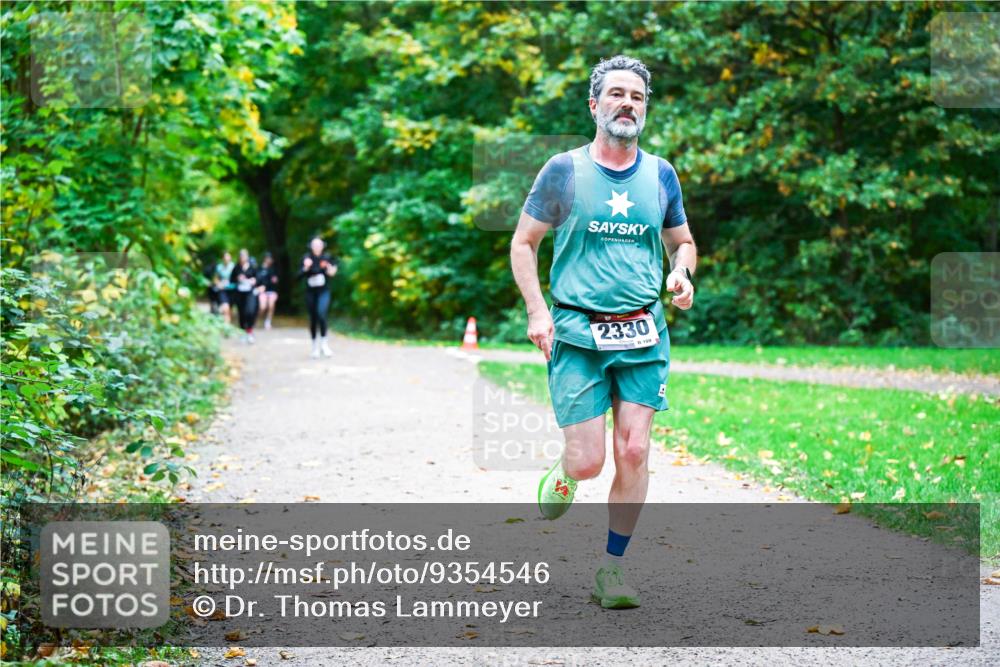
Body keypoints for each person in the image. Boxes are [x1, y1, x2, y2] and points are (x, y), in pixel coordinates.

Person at [509, 55, 697, 610]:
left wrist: (681, 272)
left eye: (637, 97)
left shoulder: (661, 174)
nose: (627, 104)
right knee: (590, 460)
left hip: (642, 329)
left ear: (645, 108)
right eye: (616, 94)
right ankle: (568, 470)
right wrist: (537, 312)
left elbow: (682, 241)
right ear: (595, 105)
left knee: (635, 450)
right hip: (575, 330)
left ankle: (612, 569)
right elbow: (524, 243)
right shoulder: (564, 170)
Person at [299, 237, 338, 358]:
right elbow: (298, 275)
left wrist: (330, 269)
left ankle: (324, 344)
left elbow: (333, 272)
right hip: (311, 292)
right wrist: (305, 268)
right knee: (313, 318)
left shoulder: (327, 257)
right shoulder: (306, 258)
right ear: (311, 246)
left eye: (319, 245)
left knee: (322, 314)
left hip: (323, 291)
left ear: (322, 246)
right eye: (314, 245)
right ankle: (314, 346)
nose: (316, 247)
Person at [230, 249, 258, 343]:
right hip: (239, 293)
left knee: (250, 311)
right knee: (241, 313)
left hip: (250, 292)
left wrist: (253, 281)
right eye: (241, 256)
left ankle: (250, 331)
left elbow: (258, 278)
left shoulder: (252, 266)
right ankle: (243, 332)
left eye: (244, 256)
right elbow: (231, 279)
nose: (243, 258)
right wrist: (237, 279)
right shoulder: (236, 267)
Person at [256, 252, 279, 330]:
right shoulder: (259, 269)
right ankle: (256, 320)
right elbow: (257, 280)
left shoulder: (273, 269)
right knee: (262, 307)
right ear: (265, 259)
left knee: (271, 305)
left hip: (272, 290)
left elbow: (275, 280)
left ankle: (268, 321)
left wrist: (275, 281)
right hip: (262, 291)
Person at [214, 251, 236, 324]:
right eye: (225, 257)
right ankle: (227, 325)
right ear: (222, 258)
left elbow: (237, 278)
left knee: (230, 309)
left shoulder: (234, 266)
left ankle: (229, 323)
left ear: (230, 258)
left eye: (228, 256)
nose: (226, 258)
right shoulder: (219, 267)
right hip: (222, 290)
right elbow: (215, 278)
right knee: (225, 308)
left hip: (232, 290)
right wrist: (218, 284)